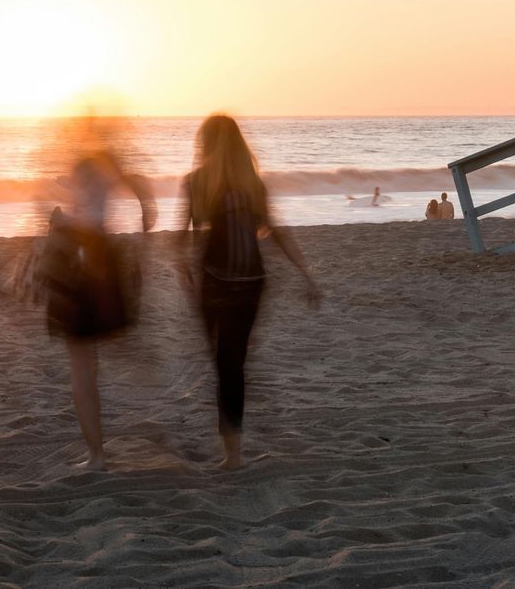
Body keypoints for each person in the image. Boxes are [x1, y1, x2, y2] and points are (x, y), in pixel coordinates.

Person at [178, 114, 321, 470]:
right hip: (250, 282)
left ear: (205, 143)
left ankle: (233, 456)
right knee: (232, 365)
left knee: (223, 364)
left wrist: (182, 271)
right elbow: (277, 231)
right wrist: (307, 274)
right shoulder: (252, 184)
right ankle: (234, 453)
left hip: (213, 281)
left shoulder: (196, 182)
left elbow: (180, 240)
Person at [37, 114, 157, 471]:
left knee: (81, 366)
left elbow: (88, 218)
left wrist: (61, 220)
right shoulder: (107, 162)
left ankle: (97, 456)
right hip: (101, 259)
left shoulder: (91, 162)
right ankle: (98, 450)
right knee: (90, 360)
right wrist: (145, 214)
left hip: (81, 264)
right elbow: (131, 186)